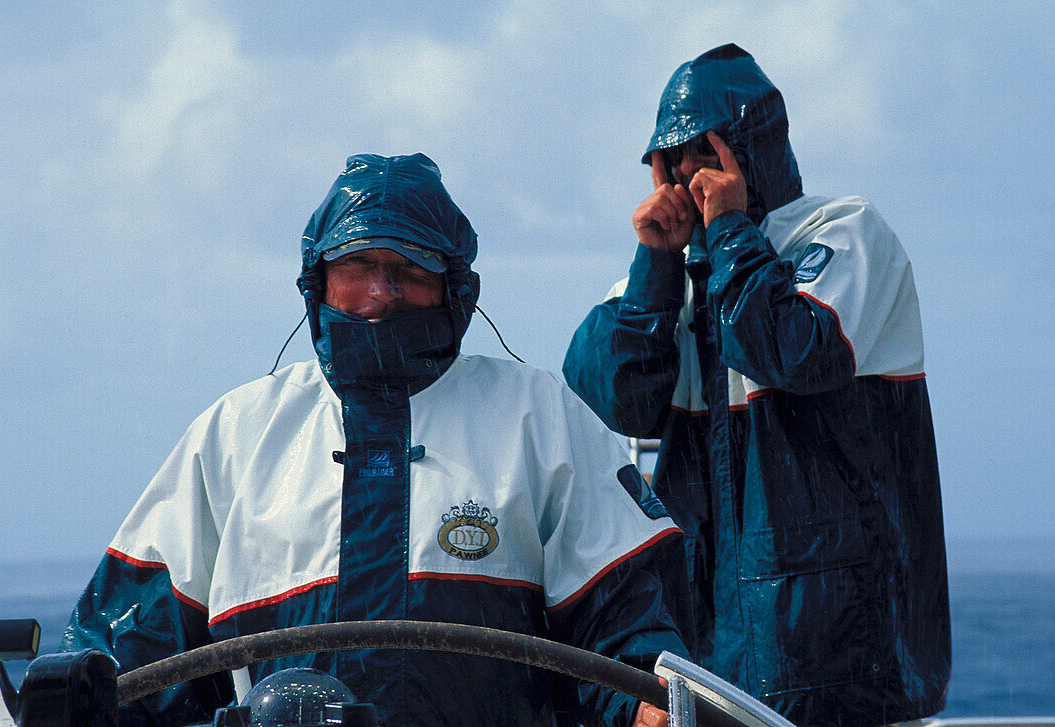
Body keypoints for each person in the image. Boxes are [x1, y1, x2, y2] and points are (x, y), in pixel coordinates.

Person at [61, 153, 689, 727]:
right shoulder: (235, 434)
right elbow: (125, 649)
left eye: (409, 268)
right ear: (319, 279)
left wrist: (647, 707)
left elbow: (629, 624)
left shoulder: (540, 416)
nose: (382, 293)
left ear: (454, 287)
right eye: (359, 263)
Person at [562, 44, 951, 726]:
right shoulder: (669, 279)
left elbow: (797, 351)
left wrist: (733, 231)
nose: (685, 173)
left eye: (700, 152)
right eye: (671, 159)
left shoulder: (844, 232)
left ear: (747, 148)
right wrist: (657, 263)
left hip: (850, 670)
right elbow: (606, 397)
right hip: (713, 666)